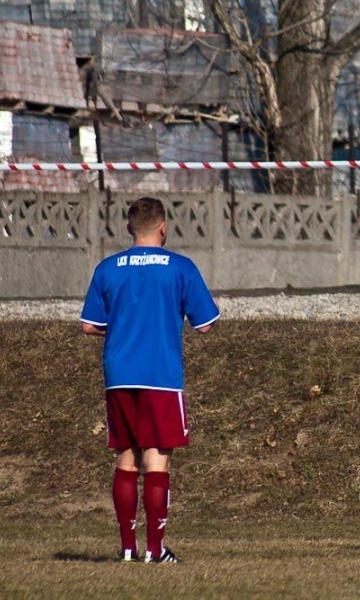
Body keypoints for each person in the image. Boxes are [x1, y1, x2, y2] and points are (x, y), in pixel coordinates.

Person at [81, 196, 220, 564]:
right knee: (157, 462)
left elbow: (89, 325)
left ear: (130, 228)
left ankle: (128, 548)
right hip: (160, 374)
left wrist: (123, 326)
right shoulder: (180, 267)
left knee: (126, 458)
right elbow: (206, 325)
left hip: (119, 375)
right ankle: (155, 551)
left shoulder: (108, 268)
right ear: (163, 228)